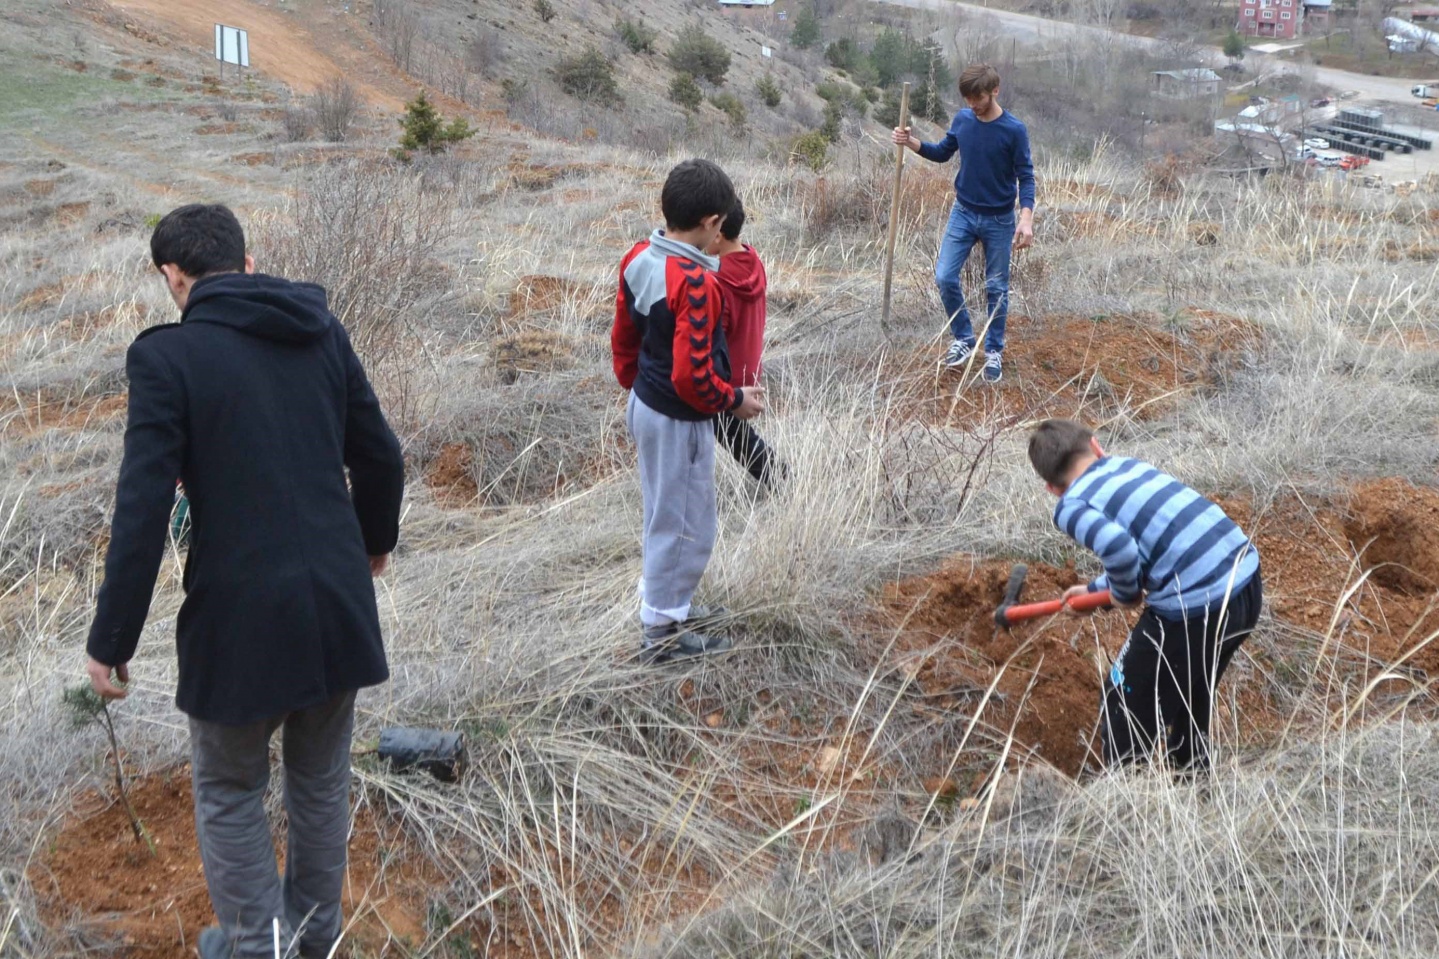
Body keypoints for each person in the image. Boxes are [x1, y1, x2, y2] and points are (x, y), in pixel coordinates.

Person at [84, 204, 405, 958]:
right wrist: (374, 543)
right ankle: (313, 938)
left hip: (240, 620)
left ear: (173, 277)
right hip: (337, 601)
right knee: (320, 781)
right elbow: (382, 456)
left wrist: (111, 639)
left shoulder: (167, 358)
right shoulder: (320, 329)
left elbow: (142, 509)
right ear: (249, 262)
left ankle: (262, 949)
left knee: (230, 790)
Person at [1027, 419, 1263, 771]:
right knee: (1191, 688)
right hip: (1245, 580)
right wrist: (1096, 592)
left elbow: (1122, 552)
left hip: (1195, 608)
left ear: (1051, 489)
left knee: (1122, 698)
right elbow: (1148, 548)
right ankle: (1192, 777)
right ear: (1095, 446)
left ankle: (1127, 803)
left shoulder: (1071, 505)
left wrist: (1123, 594)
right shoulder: (1126, 466)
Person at [611, 159, 765, 664]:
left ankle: (672, 609)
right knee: (682, 525)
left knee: (670, 515)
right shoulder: (694, 281)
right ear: (713, 223)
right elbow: (692, 377)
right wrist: (734, 401)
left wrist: (638, 390)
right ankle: (661, 637)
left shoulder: (639, 256)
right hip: (678, 419)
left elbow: (624, 338)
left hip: (649, 407)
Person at [892, 62, 1036, 383]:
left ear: (994, 91)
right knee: (944, 277)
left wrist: (1025, 218)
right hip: (963, 212)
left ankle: (994, 350)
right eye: (968, 99)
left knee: (996, 288)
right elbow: (943, 153)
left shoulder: (1014, 130)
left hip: (999, 219)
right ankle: (964, 338)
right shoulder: (963, 120)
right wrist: (911, 142)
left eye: (978, 98)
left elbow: (1026, 176)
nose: (972, 104)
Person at [707, 197, 784, 489]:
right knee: (732, 434)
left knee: (728, 432)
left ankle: (781, 478)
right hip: (750, 371)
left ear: (718, 233)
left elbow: (714, 338)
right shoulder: (754, 260)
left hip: (727, 379)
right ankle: (780, 479)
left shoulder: (717, 280)